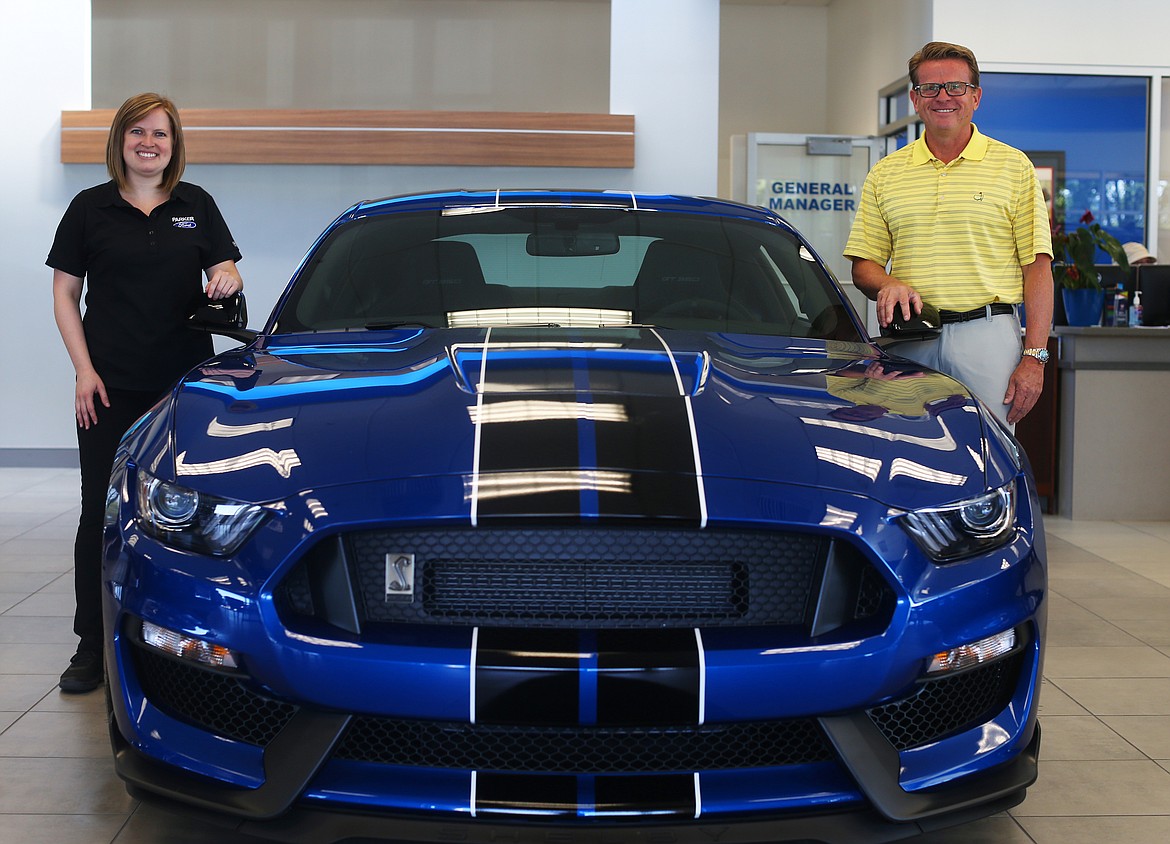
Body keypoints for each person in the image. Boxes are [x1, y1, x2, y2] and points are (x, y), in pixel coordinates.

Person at [47, 93, 243, 692]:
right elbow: (64, 295)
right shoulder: (89, 208)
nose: (149, 143)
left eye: (160, 134)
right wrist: (83, 370)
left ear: (173, 143)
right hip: (106, 388)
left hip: (184, 391)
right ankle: (89, 645)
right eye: (138, 133)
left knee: (188, 517)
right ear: (120, 141)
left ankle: (188, 640)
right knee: (98, 516)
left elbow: (228, 270)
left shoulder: (197, 205)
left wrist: (229, 271)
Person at [844, 41, 1053, 428]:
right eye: (930, 88)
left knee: (988, 452)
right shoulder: (886, 173)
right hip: (909, 338)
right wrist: (887, 283)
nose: (943, 97)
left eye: (956, 87)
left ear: (976, 97)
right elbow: (864, 266)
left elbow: (1038, 269)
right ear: (914, 99)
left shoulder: (1014, 167)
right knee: (904, 446)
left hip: (988, 337)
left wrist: (1035, 357)